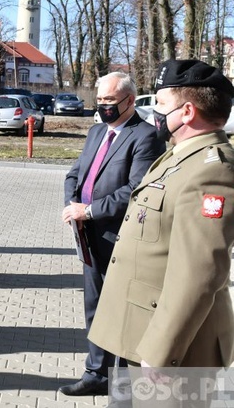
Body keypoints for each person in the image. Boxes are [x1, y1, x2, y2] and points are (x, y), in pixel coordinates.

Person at [90, 60, 234, 370]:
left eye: (160, 103)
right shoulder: (179, 156)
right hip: (141, 331)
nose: (153, 111)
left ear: (187, 112)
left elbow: (198, 276)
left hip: (173, 351)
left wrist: (160, 352)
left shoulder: (212, 172)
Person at [59, 72, 165, 396]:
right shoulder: (95, 132)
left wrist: (89, 210)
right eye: (100, 100)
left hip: (117, 238)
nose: (103, 106)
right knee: (94, 306)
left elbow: (136, 189)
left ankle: (122, 384)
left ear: (130, 101)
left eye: (109, 101)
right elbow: (75, 175)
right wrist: (72, 206)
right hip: (87, 234)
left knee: (119, 310)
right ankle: (96, 374)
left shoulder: (145, 136)